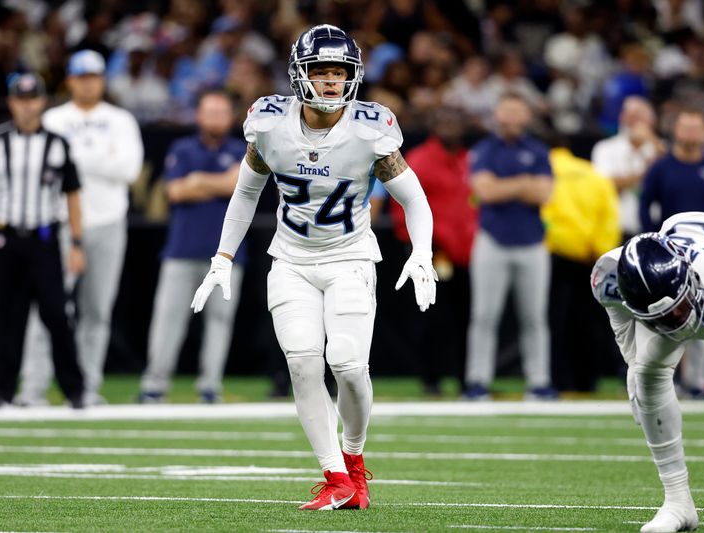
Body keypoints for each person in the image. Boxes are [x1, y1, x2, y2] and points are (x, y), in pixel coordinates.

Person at [190, 24, 436, 510]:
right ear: (299, 75)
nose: (330, 82)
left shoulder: (371, 127)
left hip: (349, 257)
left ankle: (355, 457)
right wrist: (222, 257)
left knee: (346, 363)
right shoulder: (269, 122)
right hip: (292, 260)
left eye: (339, 72)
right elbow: (245, 193)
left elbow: (414, 198)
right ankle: (336, 477)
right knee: (303, 362)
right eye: (320, 72)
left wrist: (421, 252)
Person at [591, 212, 704, 532]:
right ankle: (678, 503)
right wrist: (634, 367)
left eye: (679, 310)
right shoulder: (608, 277)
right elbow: (622, 323)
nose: (679, 322)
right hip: (686, 240)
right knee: (647, 377)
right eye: (667, 317)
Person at [17, 49, 144, 407]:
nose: (88, 83)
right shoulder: (54, 118)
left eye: (94, 77)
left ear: (102, 80)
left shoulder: (120, 120)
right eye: (81, 77)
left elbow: (129, 170)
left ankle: (85, 386)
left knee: (97, 311)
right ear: (70, 80)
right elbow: (41, 171)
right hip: (58, 223)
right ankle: (33, 388)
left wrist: (75, 159)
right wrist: (100, 159)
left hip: (108, 222)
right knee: (48, 307)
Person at [0, 73, 85, 408]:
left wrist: (76, 243)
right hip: (4, 240)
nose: (27, 106)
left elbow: (73, 195)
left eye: (32, 99)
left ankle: (75, 392)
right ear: (11, 102)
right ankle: (1, 393)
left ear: (42, 101)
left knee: (57, 316)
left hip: (44, 240)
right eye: (21, 99)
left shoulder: (58, 144)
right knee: (4, 319)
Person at [138, 91, 245, 404]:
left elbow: (237, 185)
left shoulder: (242, 149)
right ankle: (154, 385)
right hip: (181, 251)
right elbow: (176, 192)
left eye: (221, 112)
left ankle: (211, 386)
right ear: (198, 115)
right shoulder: (182, 148)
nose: (214, 118)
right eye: (209, 112)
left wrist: (198, 180)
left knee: (220, 323)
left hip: (226, 255)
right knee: (168, 320)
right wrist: (218, 183)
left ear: (230, 117)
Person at [464, 92, 556, 401]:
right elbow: (485, 192)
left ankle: (539, 382)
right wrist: (524, 183)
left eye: (518, 111)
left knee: (535, 317)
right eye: (507, 111)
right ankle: (477, 381)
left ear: (527, 116)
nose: (512, 118)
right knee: (484, 316)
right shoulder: (485, 149)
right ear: (497, 115)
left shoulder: (538, 150)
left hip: (532, 242)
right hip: (492, 240)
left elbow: (544, 195)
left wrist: (506, 186)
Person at [640, 107, 704, 401]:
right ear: (675, 131)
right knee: (662, 318)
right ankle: (660, 380)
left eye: (696, 128)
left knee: (703, 316)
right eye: (686, 127)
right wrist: (652, 243)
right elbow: (646, 207)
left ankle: (695, 382)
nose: (691, 134)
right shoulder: (660, 168)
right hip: (667, 256)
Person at [388, 106, 477, 395]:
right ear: (433, 125)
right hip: (433, 252)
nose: (450, 126)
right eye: (444, 119)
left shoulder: (470, 160)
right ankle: (431, 378)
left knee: (468, 319)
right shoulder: (419, 160)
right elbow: (402, 207)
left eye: (455, 119)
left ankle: (467, 379)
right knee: (432, 318)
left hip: (469, 253)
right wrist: (423, 246)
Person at [542, 137, 620, 392]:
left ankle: (558, 379)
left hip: (557, 255)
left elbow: (544, 214)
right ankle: (587, 380)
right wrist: (599, 248)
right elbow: (609, 216)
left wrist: (560, 242)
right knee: (590, 321)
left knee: (555, 322)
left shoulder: (546, 170)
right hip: (591, 257)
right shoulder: (596, 176)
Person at [591, 96, 665, 240]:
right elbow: (605, 186)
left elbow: (673, 178)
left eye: (639, 117)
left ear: (651, 121)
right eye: (628, 116)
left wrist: (653, 142)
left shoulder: (658, 149)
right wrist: (643, 173)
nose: (632, 122)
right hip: (616, 231)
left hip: (654, 231)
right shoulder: (605, 148)